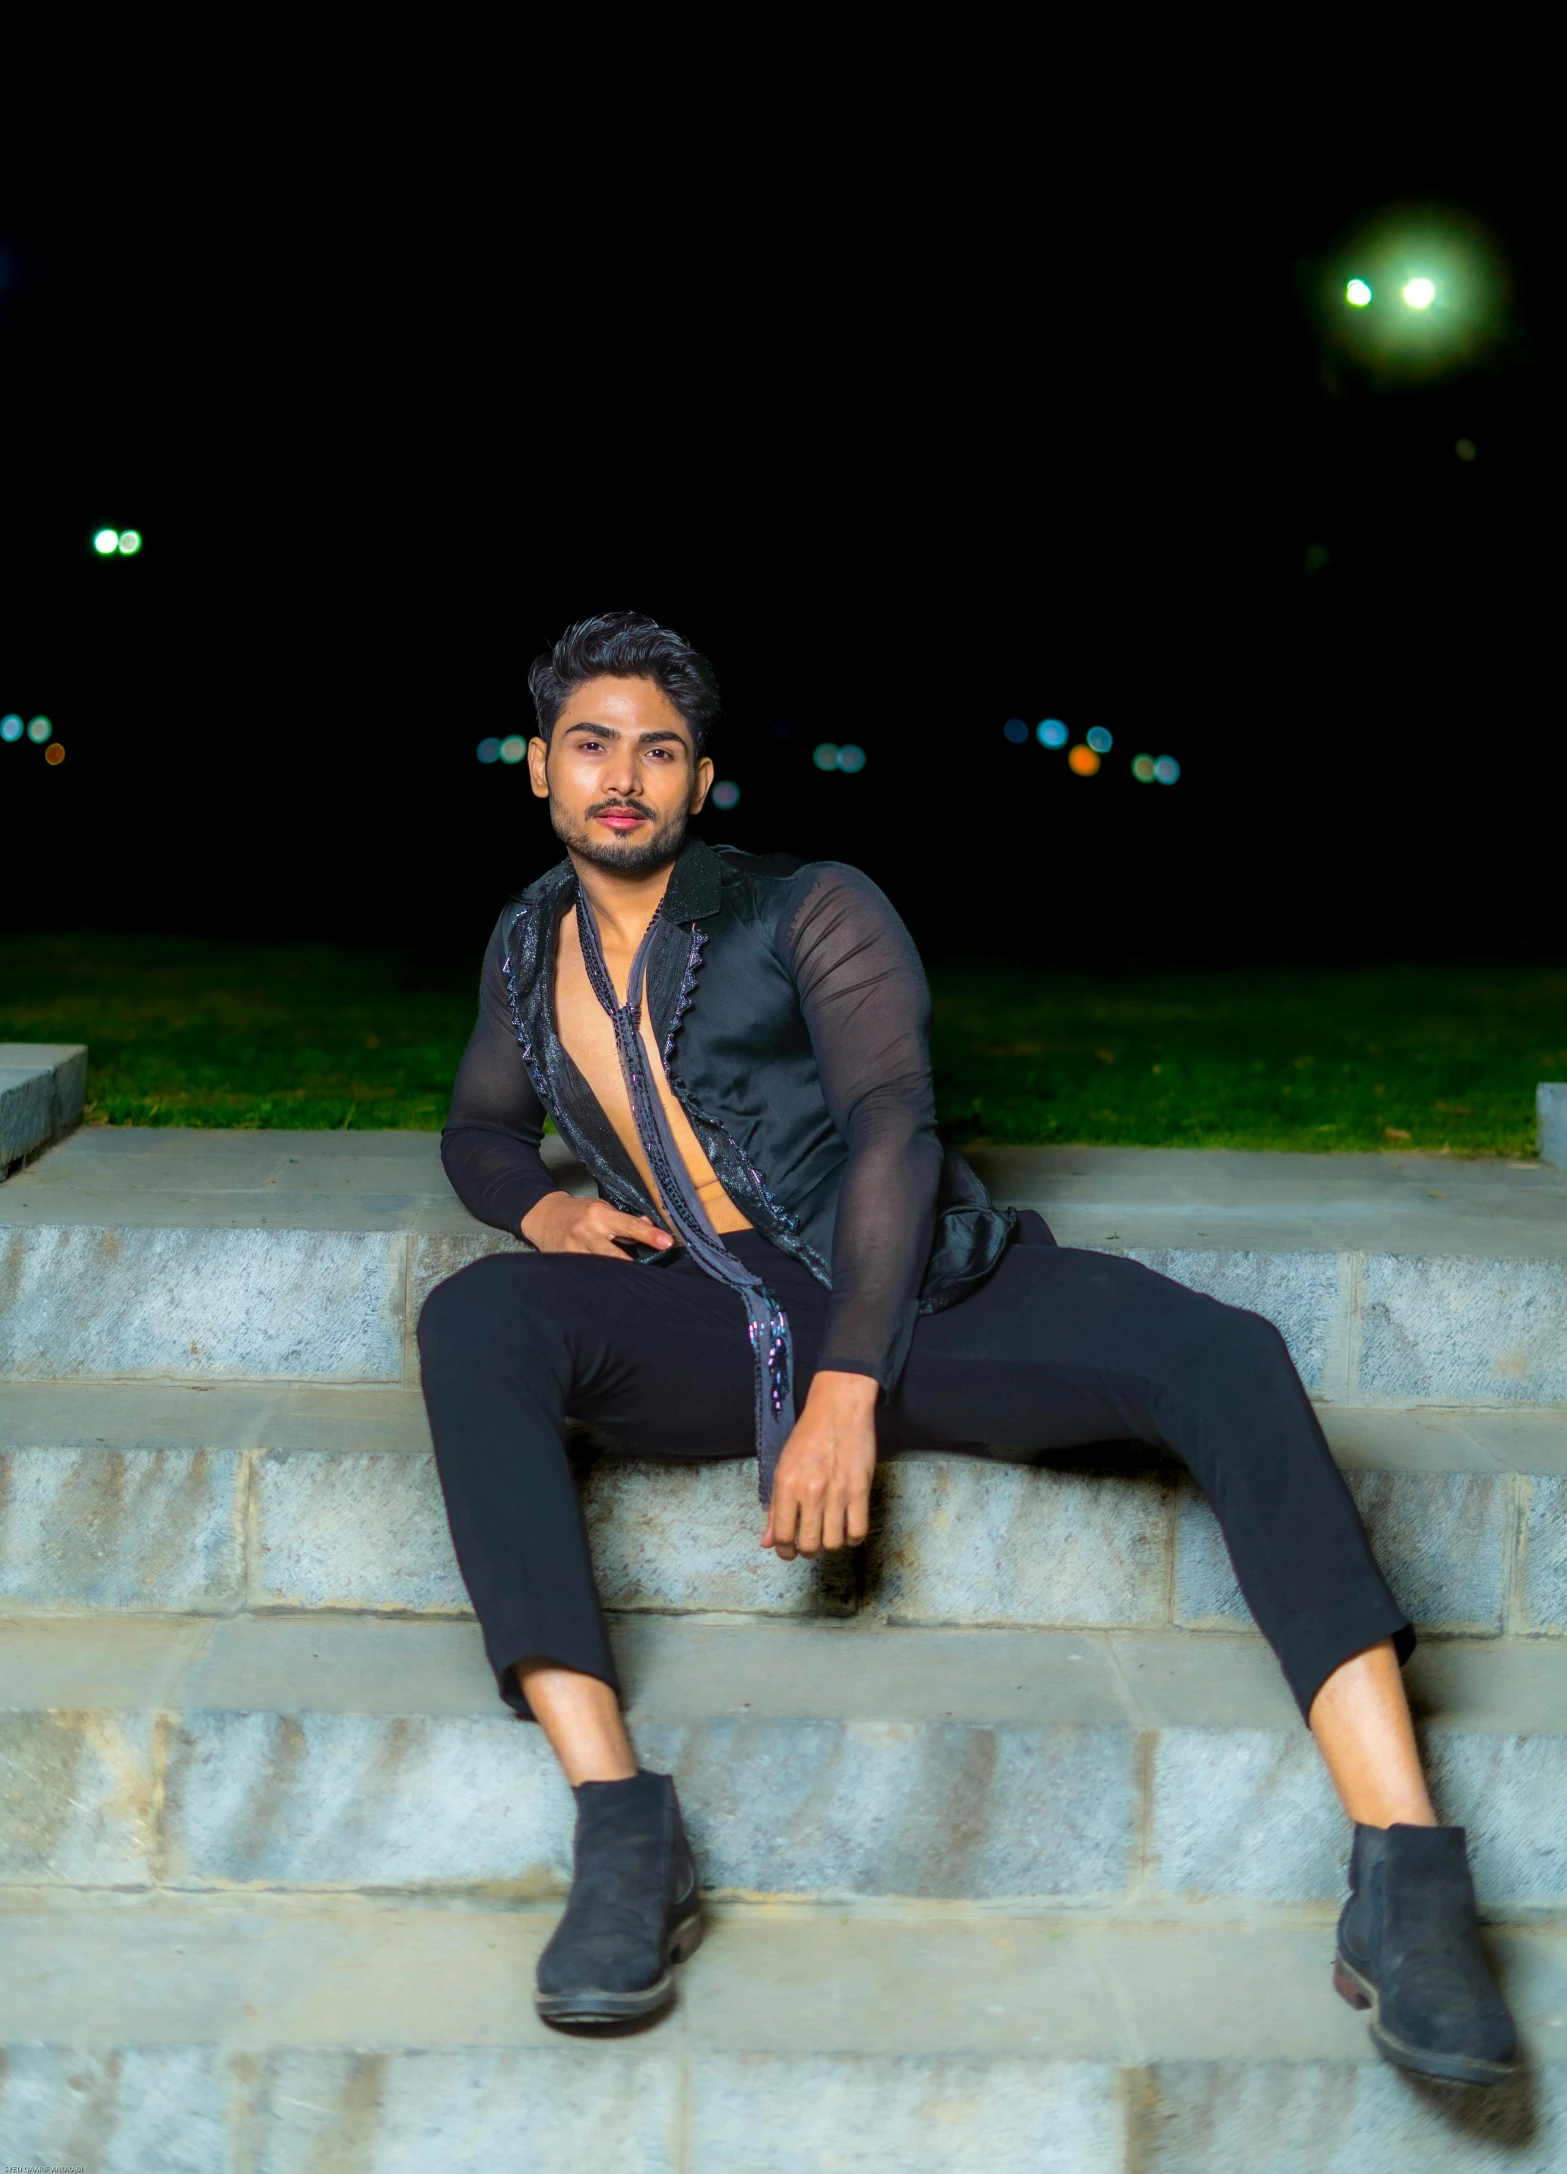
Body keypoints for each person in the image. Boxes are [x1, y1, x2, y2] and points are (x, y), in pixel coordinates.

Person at [418, 612, 1515, 2084]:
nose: (624, 776)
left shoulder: (811, 903)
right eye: (593, 744)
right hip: (704, 1316)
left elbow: (893, 1128)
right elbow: (480, 1129)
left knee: (1229, 1355)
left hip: (917, 1297)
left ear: (701, 778)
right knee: (471, 1318)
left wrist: (850, 1381)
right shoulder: (518, 944)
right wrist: (550, 1210)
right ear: (541, 765)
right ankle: (622, 1822)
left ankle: (1406, 1866)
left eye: (658, 750)